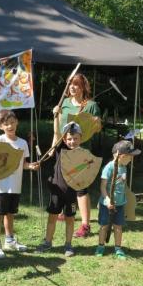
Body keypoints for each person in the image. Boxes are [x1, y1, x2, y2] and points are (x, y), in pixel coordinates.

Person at [52, 73, 102, 239]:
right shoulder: (64, 103)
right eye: (70, 85)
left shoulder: (91, 105)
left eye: (76, 85)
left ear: (82, 87)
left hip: (82, 151)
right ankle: (66, 211)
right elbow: (58, 129)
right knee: (65, 182)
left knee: (81, 186)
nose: (72, 88)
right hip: (64, 149)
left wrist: (93, 123)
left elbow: (98, 128)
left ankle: (85, 225)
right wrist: (55, 114)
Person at [0, 110, 39, 258]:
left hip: (15, 185)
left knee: (10, 214)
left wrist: (31, 166)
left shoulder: (22, 143)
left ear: (17, 122)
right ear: (0, 126)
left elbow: (23, 164)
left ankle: (9, 240)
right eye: (6, 124)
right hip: (0, 186)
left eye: (12, 122)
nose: (10, 126)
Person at [36, 116, 84, 257]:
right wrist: (56, 116)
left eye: (75, 138)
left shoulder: (82, 154)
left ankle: (68, 244)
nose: (72, 141)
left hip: (71, 192)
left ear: (80, 138)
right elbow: (57, 133)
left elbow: (86, 174)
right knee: (52, 217)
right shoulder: (60, 149)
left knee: (70, 218)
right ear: (64, 140)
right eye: (69, 139)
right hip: (57, 190)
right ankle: (48, 242)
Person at [95, 140, 141, 259]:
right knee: (104, 226)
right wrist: (108, 200)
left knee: (118, 226)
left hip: (120, 204)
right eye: (130, 157)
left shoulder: (124, 167)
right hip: (107, 204)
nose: (131, 159)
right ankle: (100, 246)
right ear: (121, 156)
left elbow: (122, 185)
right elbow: (103, 187)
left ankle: (118, 248)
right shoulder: (109, 168)